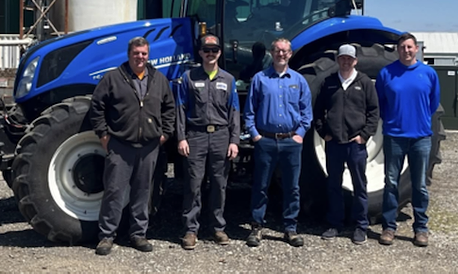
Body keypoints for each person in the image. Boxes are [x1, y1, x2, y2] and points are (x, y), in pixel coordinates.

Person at [89, 36, 176, 255]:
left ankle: (138, 234)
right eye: (136, 53)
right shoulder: (113, 78)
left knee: (142, 192)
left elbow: (169, 108)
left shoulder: (158, 79)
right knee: (114, 191)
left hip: (149, 146)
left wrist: (165, 133)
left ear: (148, 55)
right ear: (129, 54)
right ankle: (107, 236)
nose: (140, 57)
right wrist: (103, 134)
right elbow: (97, 105)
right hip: (120, 145)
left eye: (144, 53)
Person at [244, 38, 312, 247]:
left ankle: (290, 228)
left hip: (291, 141)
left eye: (285, 51)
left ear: (290, 54)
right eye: (277, 50)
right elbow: (249, 111)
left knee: (292, 187)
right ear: (271, 53)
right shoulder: (260, 79)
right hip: (265, 140)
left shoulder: (299, 80)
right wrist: (255, 135)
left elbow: (306, 112)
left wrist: (300, 134)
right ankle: (257, 226)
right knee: (261, 185)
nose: (281, 54)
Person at [175, 34, 240, 250]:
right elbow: (180, 109)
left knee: (219, 185)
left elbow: (234, 111)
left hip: (221, 136)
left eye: (214, 50)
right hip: (196, 136)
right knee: (193, 184)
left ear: (220, 52)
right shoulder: (188, 77)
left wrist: (234, 140)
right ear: (200, 52)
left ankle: (218, 228)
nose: (210, 53)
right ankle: (190, 230)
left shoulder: (228, 80)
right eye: (206, 50)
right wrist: (181, 138)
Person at [376, 32, 440, 247]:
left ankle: (421, 229)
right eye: (403, 47)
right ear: (398, 49)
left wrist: (419, 120)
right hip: (394, 136)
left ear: (416, 49)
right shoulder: (386, 73)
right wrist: (392, 121)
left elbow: (433, 103)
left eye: (410, 47)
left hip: (421, 137)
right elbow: (380, 102)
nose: (406, 50)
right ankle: (389, 227)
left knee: (419, 185)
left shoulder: (428, 73)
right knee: (391, 183)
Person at [313, 44, 379, 245]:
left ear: (355, 61)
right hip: (334, 143)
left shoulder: (364, 82)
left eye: (349, 59)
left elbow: (374, 111)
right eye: (342, 58)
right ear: (338, 60)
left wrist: (364, 135)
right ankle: (335, 223)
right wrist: (323, 132)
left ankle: (361, 226)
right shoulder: (329, 82)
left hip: (355, 145)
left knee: (360, 185)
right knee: (334, 185)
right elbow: (318, 111)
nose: (346, 62)